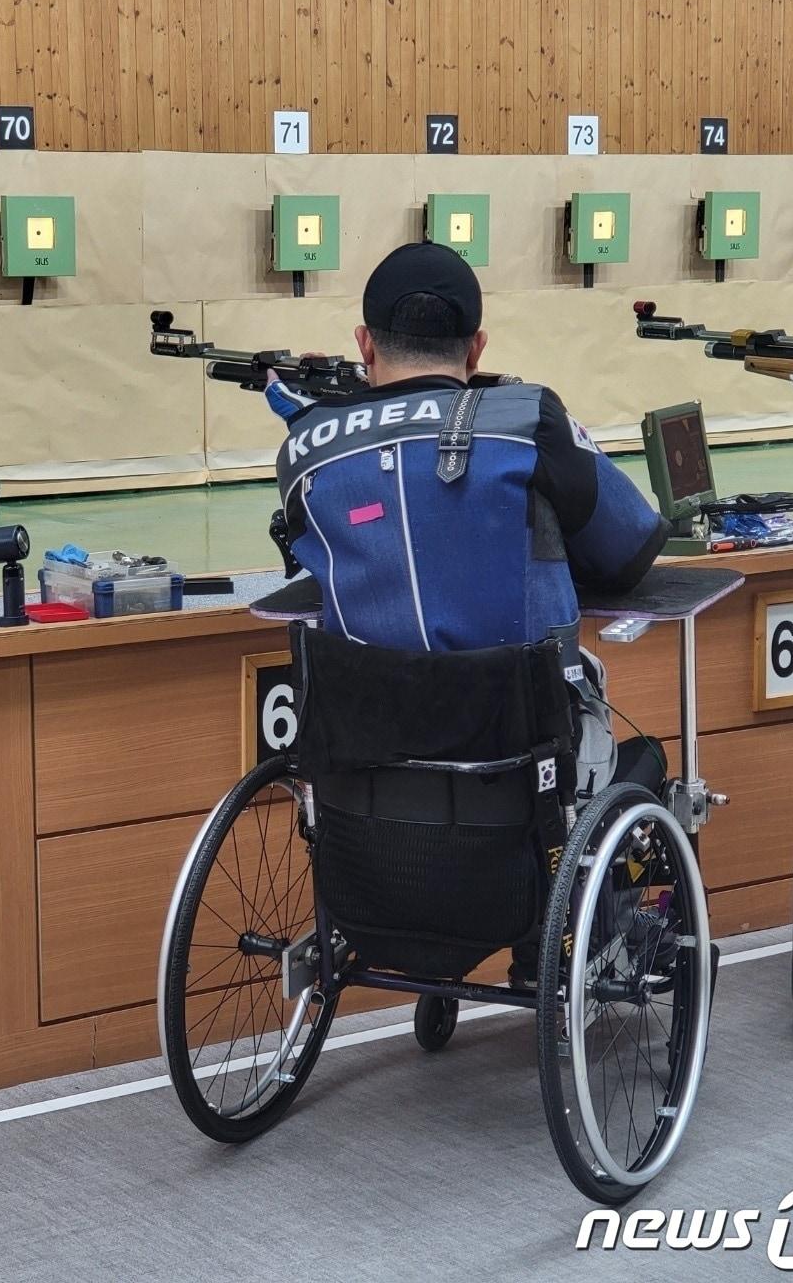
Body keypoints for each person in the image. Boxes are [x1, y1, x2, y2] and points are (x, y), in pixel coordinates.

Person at [266, 242, 671, 981]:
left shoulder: (303, 446)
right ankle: (571, 956)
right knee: (647, 763)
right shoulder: (527, 419)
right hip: (520, 780)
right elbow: (631, 546)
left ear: (364, 344)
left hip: (365, 794)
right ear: (477, 346)